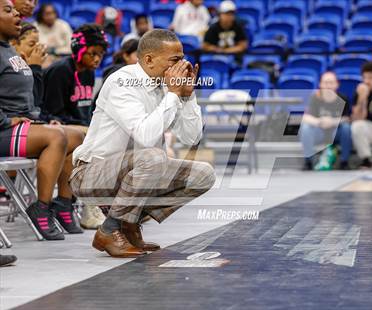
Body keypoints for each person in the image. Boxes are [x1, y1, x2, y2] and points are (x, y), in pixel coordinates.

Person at [69, 29, 216, 258]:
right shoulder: (122, 81)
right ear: (149, 60)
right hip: (90, 173)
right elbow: (145, 137)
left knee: (203, 174)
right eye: (175, 60)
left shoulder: (166, 87)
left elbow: (191, 138)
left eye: (183, 58)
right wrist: (174, 94)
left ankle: (129, 222)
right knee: (154, 156)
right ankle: (109, 230)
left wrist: (187, 96)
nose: (183, 65)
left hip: (135, 171)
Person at [0, 0, 84, 240]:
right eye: (8, 10)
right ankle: (41, 207)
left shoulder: (8, 50)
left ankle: (63, 203)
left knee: (76, 137)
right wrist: (5, 121)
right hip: (2, 130)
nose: (16, 13)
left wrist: (34, 69)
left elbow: (32, 100)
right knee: (55, 137)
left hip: (19, 124)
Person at [43, 24, 109, 129]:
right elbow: (55, 113)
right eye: (92, 54)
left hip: (82, 126)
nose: (97, 59)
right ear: (79, 50)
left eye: (101, 54)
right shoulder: (61, 70)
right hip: (60, 127)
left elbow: (85, 112)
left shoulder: (89, 71)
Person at [300, 72, 352, 170]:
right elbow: (306, 117)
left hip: (335, 132)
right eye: (325, 82)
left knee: (346, 128)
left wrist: (332, 122)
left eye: (331, 82)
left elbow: (347, 118)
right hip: (319, 132)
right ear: (320, 84)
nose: (328, 85)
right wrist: (320, 122)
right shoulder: (314, 98)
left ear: (337, 84)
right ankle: (308, 162)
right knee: (306, 128)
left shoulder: (343, 98)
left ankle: (344, 162)